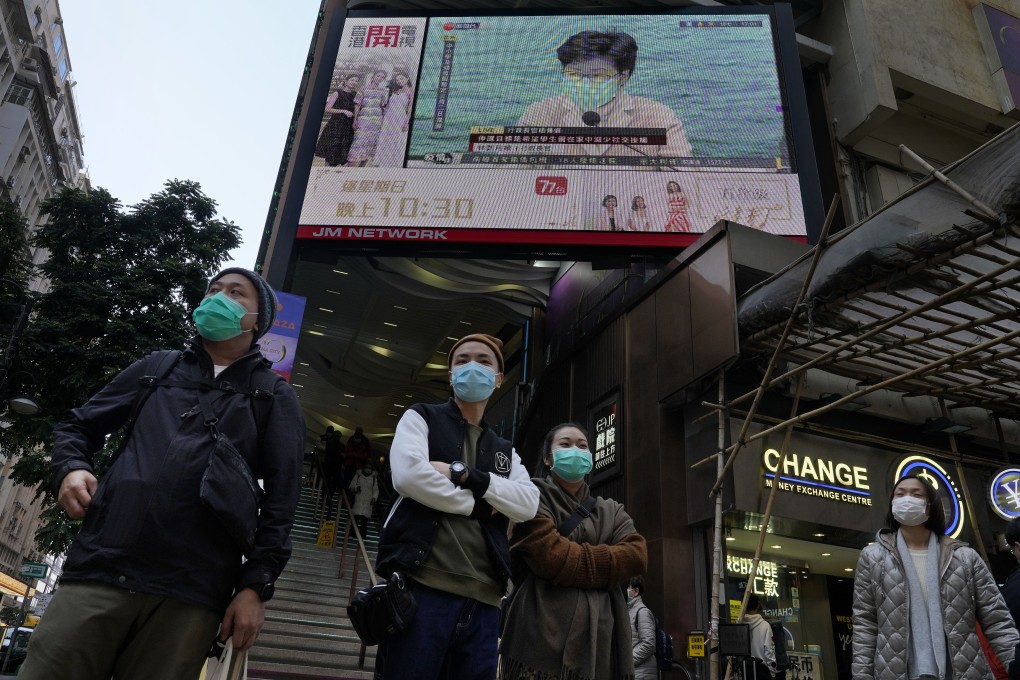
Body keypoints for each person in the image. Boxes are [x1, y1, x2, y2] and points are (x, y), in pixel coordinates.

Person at [20, 268, 305, 680]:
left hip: (190, 594)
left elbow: (282, 501)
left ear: (257, 322)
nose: (217, 297)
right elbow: (76, 425)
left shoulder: (274, 397)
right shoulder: (157, 369)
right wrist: (71, 468)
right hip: (100, 570)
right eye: (214, 289)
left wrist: (254, 587)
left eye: (235, 293)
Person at [374, 334, 540, 680]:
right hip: (421, 591)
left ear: (498, 380)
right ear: (450, 375)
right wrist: (483, 506)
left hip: (485, 602)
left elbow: (528, 504)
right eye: (462, 361)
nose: (471, 367)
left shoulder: (504, 450)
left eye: (483, 361)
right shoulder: (421, 417)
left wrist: (460, 474)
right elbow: (408, 477)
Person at [498, 423, 648, 680]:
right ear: (547, 458)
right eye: (565, 444)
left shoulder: (611, 509)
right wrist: (608, 559)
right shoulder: (529, 498)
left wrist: (570, 556)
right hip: (538, 641)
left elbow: (636, 555)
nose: (575, 451)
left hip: (603, 644)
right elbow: (549, 557)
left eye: (582, 446)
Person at [852, 474, 1019, 680]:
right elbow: (865, 625)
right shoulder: (872, 558)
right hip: (896, 671)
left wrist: (1015, 664)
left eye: (916, 494)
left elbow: (997, 620)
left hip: (964, 670)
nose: (907, 499)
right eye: (900, 494)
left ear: (930, 505)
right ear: (891, 504)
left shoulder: (965, 558)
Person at [516, 31, 693, 160]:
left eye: (599, 75)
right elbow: (510, 171)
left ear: (623, 77)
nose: (583, 84)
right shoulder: (538, 114)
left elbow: (680, 175)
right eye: (573, 74)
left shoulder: (659, 116)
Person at [315, 74, 360, 166]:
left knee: (343, 151)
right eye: (352, 80)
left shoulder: (355, 94)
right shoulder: (337, 93)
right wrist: (343, 111)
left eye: (356, 81)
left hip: (348, 126)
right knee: (332, 150)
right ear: (346, 81)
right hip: (336, 125)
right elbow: (327, 109)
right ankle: (325, 173)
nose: (354, 82)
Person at [348, 70, 389, 167]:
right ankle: (350, 168)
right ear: (374, 76)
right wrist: (355, 119)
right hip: (363, 119)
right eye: (378, 75)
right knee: (358, 142)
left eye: (382, 77)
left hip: (376, 121)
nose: (379, 78)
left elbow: (383, 107)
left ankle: (362, 168)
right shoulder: (363, 89)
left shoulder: (382, 91)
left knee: (371, 143)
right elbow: (357, 105)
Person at [373, 72, 414, 167]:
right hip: (388, 118)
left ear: (407, 79)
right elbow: (388, 106)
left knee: (398, 140)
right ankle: (383, 161)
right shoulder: (395, 91)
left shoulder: (411, 91)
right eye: (397, 80)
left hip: (400, 118)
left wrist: (407, 122)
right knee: (386, 138)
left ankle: (395, 163)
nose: (399, 81)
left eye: (401, 78)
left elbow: (410, 109)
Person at [627, 577, 658, 680]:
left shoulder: (642, 612)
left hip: (642, 674)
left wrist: (627, 659)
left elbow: (648, 644)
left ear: (635, 591)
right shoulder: (629, 611)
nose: (625, 591)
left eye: (628, 588)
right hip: (635, 672)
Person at [742, 593, 777, 679]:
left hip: (745, 671)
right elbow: (769, 651)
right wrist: (772, 673)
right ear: (758, 606)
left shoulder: (739, 625)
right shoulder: (765, 626)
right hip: (762, 672)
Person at [348, 462, 379, 539]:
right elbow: (351, 485)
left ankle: (362, 535)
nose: (368, 469)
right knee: (356, 518)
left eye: (370, 468)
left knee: (364, 520)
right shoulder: (358, 475)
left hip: (368, 500)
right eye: (367, 467)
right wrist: (356, 488)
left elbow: (376, 490)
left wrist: (374, 498)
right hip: (358, 498)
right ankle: (352, 534)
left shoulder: (374, 478)